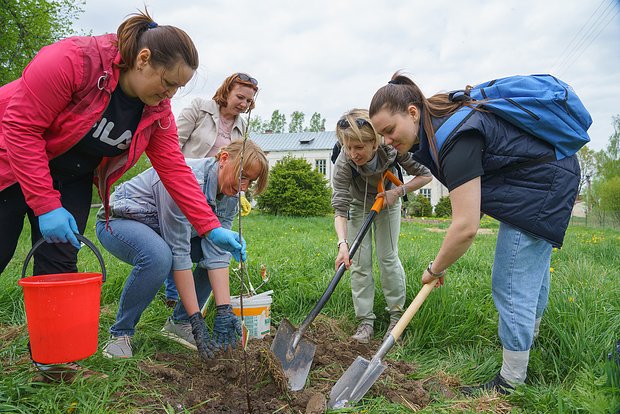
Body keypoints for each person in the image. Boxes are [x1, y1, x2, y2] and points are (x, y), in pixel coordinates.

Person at [0, 9, 245, 375]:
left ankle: (52, 362)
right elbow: (19, 128)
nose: (170, 94)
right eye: (168, 82)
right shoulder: (71, 62)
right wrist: (46, 204)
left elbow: (175, 170)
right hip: (11, 160)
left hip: (71, 176)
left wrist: (210, 227)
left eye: (178, 88)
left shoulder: (155, 110)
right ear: (143, 60)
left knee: (60, 262)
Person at [369, 72, 581, 393]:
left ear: (412, 112)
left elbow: (466, 227)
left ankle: (510, 382)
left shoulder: (452, 137)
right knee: (530, 274)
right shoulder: (439, 124)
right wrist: (442, 261)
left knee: (510, 281)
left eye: (389, 130)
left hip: (541, 184)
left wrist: (434, 268)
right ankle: (528, 344)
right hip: (550, 174)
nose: (386, 140)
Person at [96, 139, 269, 359]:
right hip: (119, 221)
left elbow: (216, 253)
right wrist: (197, 317)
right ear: (224, 158)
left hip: (161, 232)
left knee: (216, 248)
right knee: (159, 256)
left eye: (250, 181)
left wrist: (224, 310)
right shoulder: (187, 180)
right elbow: (178, 253)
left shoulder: (230, 194)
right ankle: (120, 334)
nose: (243, 187)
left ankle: (179, 323)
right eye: (242, 176)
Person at [332, 109, 432, 344]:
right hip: (359, 205)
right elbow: (340, 207)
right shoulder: (344, 160)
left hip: (388, 202)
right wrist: (342, 244)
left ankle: (396, 317)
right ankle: (365, 321)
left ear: (374, 143)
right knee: (359, 262)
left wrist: (397, 191)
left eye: (359, 147)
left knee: (388, 258)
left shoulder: (392, 151)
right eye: (348, 147)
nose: (353, 153)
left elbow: (425, 175)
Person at [162, 72, 259, 307]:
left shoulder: (241, 128)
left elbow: (241, 162)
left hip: (217, 193)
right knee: (180, 236)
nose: (244, 104)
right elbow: (172, 144)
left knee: (211, 240)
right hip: (186, 183)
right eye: (240, 97)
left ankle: (194, 300)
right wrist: (180, 177)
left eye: (249, 101)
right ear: (226, 91)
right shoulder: (199, 109)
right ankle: (174, 295)